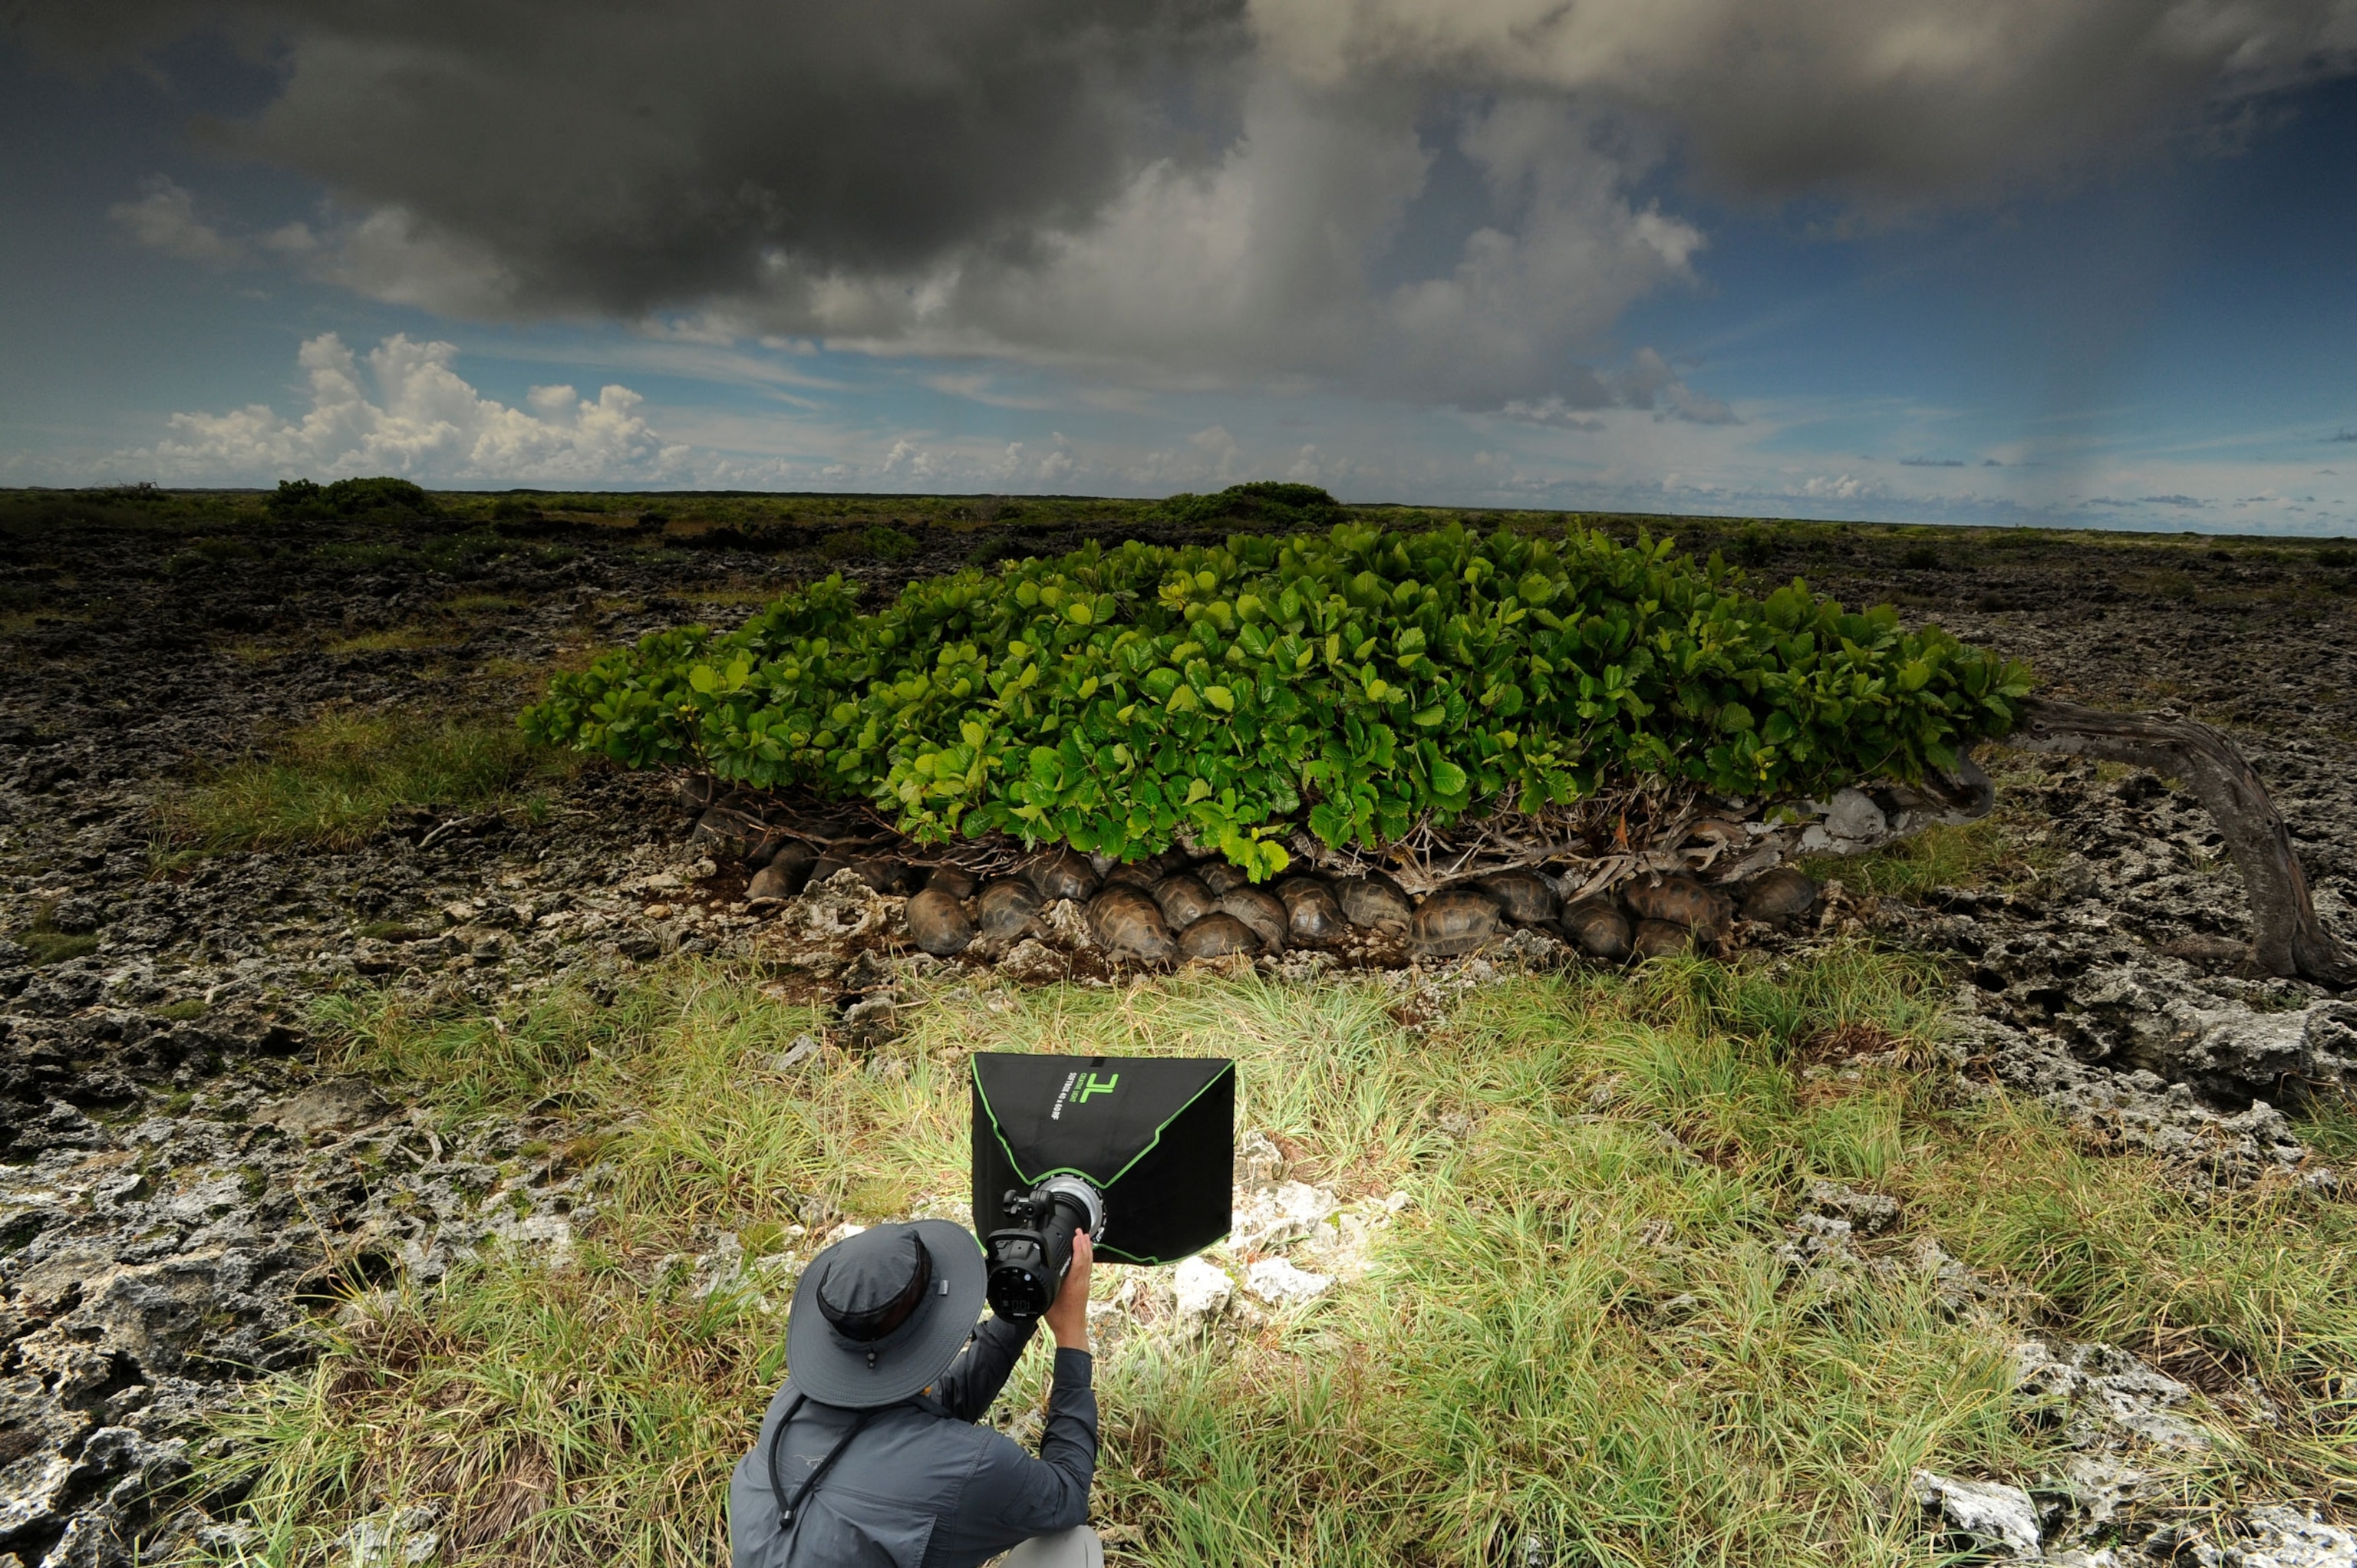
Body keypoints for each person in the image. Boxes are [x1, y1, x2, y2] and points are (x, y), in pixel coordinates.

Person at [729, 1217, 1101, 1568]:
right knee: (1072, 1549)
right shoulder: (971, 1466)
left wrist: (1024, 1301)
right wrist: (1072, 1335)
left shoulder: (790, 1404)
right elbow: (1066, 1494)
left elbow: (926, 1415)